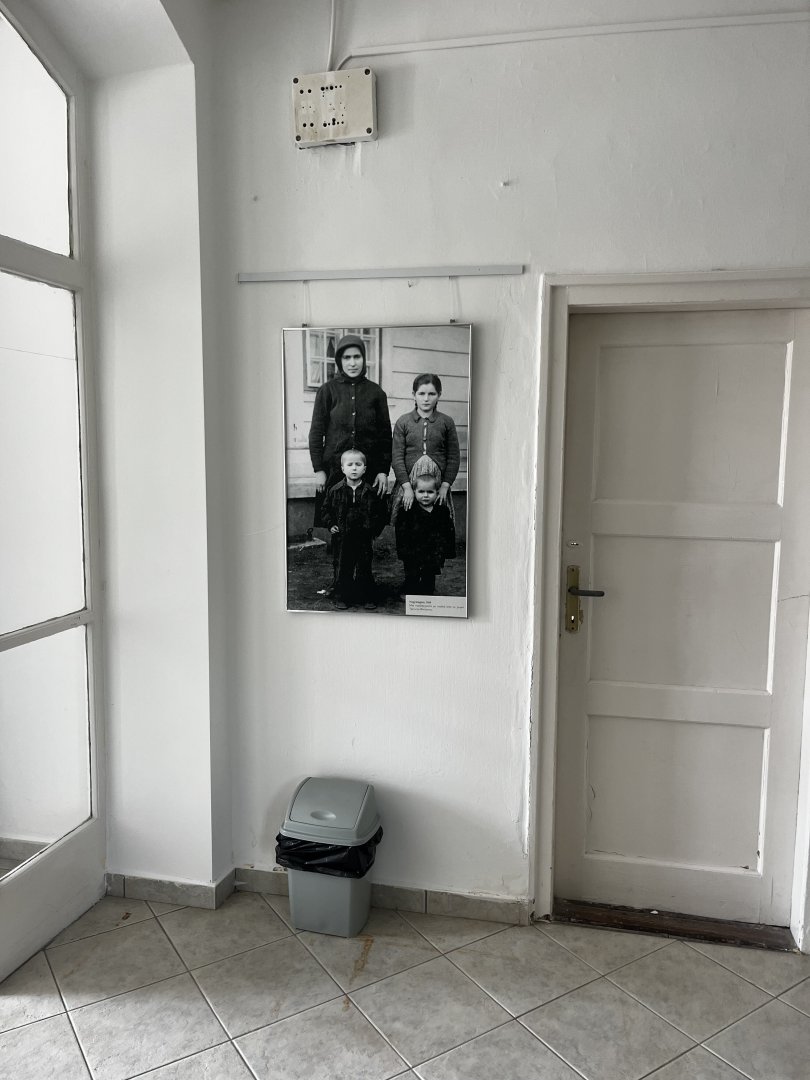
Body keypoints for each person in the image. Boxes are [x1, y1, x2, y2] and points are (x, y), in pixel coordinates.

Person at [308, 336, 391, 531]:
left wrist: (383, 471)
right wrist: (319, 470)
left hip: (367, 470)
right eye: (346, 358)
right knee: (337, 524)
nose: (352, 363)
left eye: (357, 357)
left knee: (366, 527)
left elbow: (385, 436)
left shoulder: (376, 393)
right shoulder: (327, 391)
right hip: (335, 470)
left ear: (364, 358)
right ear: (339, 360)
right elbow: (316, 433)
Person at [320, 449, 386, 610]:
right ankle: (343, 596)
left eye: (358, 464)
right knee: (344, 567)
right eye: (350, 465)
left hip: (364, 537)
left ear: (365, 469)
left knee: (364, 566)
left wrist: (373, 530)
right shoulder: (335, 490)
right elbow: (325, 510)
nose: (354, 468)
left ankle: (366, 596)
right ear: (343, 468)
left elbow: (381, 514)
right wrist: (331, 524)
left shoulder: (370, 492)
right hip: (343, 537)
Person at [391, 373, 460, 515]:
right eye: (421, 393)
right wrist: (407, 487)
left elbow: (453, 457)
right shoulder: (403, 422)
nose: (426, 398)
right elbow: (397, 458)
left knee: (437, 519)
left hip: (437, 485)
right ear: (414, 395)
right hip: (408, 483)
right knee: (407, 518)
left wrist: (445, 486)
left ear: (439, 395)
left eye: (432, 394)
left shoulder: (446, 422)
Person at [395, 473, 455, 596]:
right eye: (421, 492)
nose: (426, 495)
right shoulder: (407, 511)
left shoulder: (441, 511)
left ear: (437, 492)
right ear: (414, 492)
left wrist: (446, 551)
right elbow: (401, 534)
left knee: (429, 576)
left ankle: (427, 593)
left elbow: (448, 532)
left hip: (432, 553)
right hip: (413, 553)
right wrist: (403, 552)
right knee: (412, 575)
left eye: (430, 492)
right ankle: (409, 591)